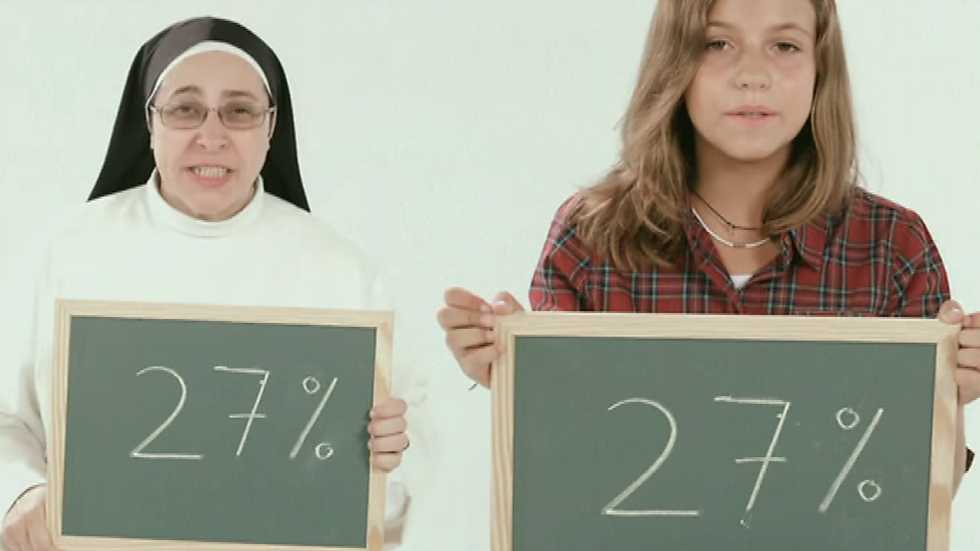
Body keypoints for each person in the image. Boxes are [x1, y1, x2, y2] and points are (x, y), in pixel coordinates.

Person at [438, 0, 977, 490]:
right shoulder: (593, 235)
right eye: (717, 43)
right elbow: (561, 476)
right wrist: (512, 375)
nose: (753, 75)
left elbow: (922, 493)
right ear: (674, 63)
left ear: (821, 69)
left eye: (785, 45)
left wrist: (950, 396)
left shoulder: (891, 246)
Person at [1, 17, 417, 551]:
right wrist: (20, 493)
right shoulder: (64, 252)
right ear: (149, 121)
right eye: (185, 109)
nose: (212, 136)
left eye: (239, 111)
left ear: (271, 126)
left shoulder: (343, 272)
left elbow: (406, 466)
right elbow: (8, 418)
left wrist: (385, 463)